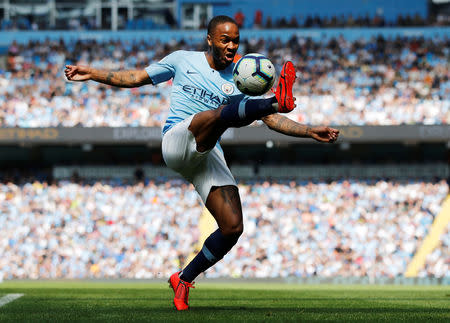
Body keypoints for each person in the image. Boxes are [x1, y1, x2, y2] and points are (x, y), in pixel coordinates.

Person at [65, 15, 339, 311]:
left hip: (207, 152)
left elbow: (271, 121)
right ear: (209, 39)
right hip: (177, 139)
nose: (232, 46)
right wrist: (91, 72)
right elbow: (135, 78)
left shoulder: (241, 77)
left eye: (236, 40)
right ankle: (275, 98)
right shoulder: (183, 60)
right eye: (225, 40)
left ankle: (183, 278)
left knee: (233, 227)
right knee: (220, 114)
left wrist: (310, 130)